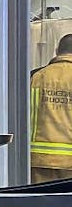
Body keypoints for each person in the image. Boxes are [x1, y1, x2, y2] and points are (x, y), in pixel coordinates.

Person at [31, 34, 72, 183]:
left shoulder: (37, 76)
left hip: (39, 159)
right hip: (70, 163)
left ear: (56, 51)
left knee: (42, 197)